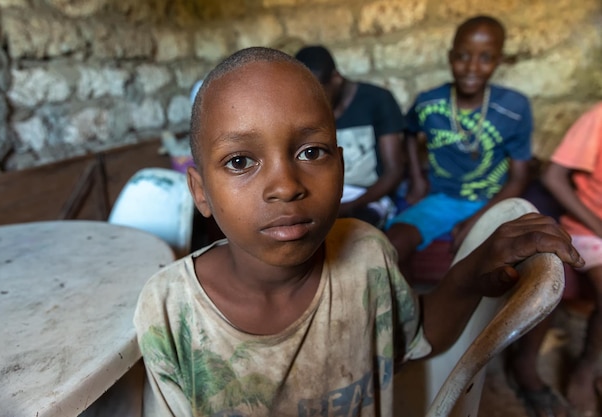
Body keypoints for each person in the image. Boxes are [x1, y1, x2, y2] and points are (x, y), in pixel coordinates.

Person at [133, 46, 583, 417]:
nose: (287, 186)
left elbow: (417, 337)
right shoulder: (170, 311)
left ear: (341, 164)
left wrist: (470, 271)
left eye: (311, 152)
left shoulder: (367, 254)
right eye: (239, 162)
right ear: (200, 191)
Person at [386, 15, 534, 263]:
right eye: (463, 56)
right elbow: (409, 132)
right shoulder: (429, 102)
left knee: (501, 260)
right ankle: (405, 302)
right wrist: (416, 178)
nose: (472, 68)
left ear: (498, 60)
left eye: (485, 58)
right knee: (392, 244)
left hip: (493, 201)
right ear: (450, 57)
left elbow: (519, 179)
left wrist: (475, 222)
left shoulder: (514, 107)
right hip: (442, 198)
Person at [295, 45, 406, 229]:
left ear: (336, 78)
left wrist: (348, 206)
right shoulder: (305, 110)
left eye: (320, 92)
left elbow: (394, 171)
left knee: (354, 234)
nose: (313, 101)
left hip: (371, 197)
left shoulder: (377, 100)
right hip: (326, 197)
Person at [538, 102, 602, 416]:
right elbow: (553, 176)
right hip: (592, 228)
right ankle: (586, 369)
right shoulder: (597, 117)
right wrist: (598, 226)